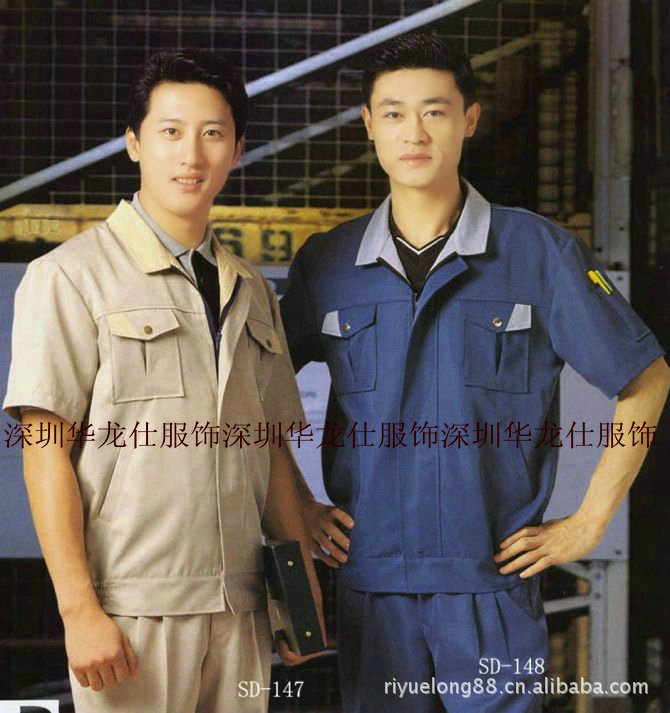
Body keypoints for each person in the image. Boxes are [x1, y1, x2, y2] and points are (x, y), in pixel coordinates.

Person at [280, 33, 670, 713]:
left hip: (493, 585)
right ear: (369, 125)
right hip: (372, 586)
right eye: (394, 113)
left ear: (470, 119)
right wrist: (299, 509)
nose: (414, 132)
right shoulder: (327, 263)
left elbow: (647, 378)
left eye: (435, 110)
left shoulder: (539, 252)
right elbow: (247, 396)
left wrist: (589, 522)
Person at [3, 49, 324, 713]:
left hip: (241, 609)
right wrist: (79, 610)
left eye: (212, 133)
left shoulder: (252, 289)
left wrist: (302, 599)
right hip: (131, 612)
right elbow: (44, 452)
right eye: (170, 131)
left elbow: (269, 452)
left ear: (237, 149)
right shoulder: (70, 277)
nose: (191, 155)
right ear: (134, 143)